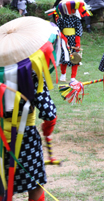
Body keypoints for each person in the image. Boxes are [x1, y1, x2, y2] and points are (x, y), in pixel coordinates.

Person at [0, 19, 58, 201]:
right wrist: (47, 129)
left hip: (1, 139)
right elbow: (49, 114)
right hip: (25, 136)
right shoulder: (33, 76)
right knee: (35, 185)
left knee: (2, 184)